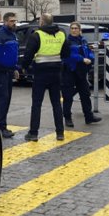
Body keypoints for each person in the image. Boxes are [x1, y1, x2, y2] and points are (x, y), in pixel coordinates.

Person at [22, 13, 71, 142]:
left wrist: (23, 67)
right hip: (56, 73)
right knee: (56, 104)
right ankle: (60, 133)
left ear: (42, 22)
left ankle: (33, 134)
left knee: (37, 104)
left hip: (40, 73)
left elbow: (28, 54)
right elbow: (66, 53)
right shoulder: (61, 34)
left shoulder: (36, 35)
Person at [61, 22, 102, 128]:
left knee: (85, 95)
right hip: (70, 71)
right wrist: (82, 59)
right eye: (72, 28)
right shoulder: (67, 42)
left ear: (79, 30)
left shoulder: (83, 40)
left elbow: (88, 51)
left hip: (81, 72)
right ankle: (68, 118)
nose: (74, 30)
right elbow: (68, 56)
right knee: (68, 96)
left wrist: (91, 58)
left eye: (76, 28)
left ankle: (89, 117)